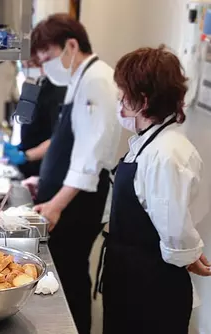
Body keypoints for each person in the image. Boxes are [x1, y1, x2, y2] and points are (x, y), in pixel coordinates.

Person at [102, 46, 211, 334]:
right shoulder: (147, 143)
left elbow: (175, 230)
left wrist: (190, 254)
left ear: (144, 100)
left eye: (124, 93)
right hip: (128, 279)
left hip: (150, 291)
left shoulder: (168, 153)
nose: (120, 101)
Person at [30, 14, 121, 334]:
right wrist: (44, 182)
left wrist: (56, 203)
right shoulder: (79, 78)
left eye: (48, 59)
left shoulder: (97, 80)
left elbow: (91, 157)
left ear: (71, 45)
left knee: (69, 278)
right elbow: (71, 142)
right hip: (66, 198)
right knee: (65, 275)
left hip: (79, 204)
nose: (46, 68)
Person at [4, 72, 66, 179]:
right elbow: (23, 120)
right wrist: (19, 147)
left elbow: (60, 138)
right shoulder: (30, 83)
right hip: (26, 168)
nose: (25, 65)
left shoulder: (60, 87)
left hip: (45, 168)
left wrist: (26, 156)